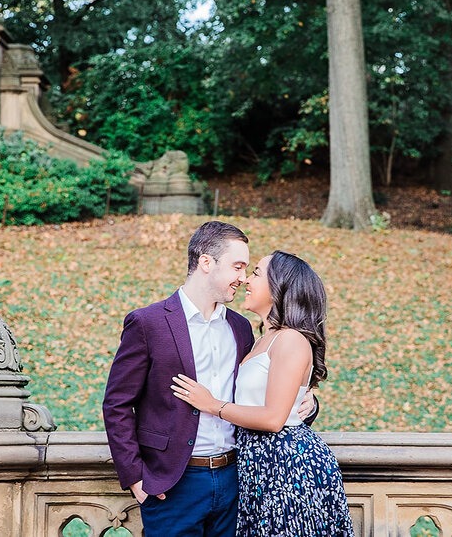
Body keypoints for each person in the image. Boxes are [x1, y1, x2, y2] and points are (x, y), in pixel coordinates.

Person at [102, 222, 317, 537]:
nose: (243, 278)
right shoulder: (148, 323)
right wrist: (135, 478)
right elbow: (117, 404)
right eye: (238, 266)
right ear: (206, 262)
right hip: (175, 484)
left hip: (236, 481)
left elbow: (266, 390)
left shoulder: (241, 328)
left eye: (247, 269)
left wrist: (307, 404)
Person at [172, 250, 354, 537]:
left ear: (279, 287)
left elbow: (273, 419)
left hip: (288, 466)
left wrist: (212, 405)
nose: (246, 280)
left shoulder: (291, 339)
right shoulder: (260, 338)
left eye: (256, 273)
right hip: (259, 466)